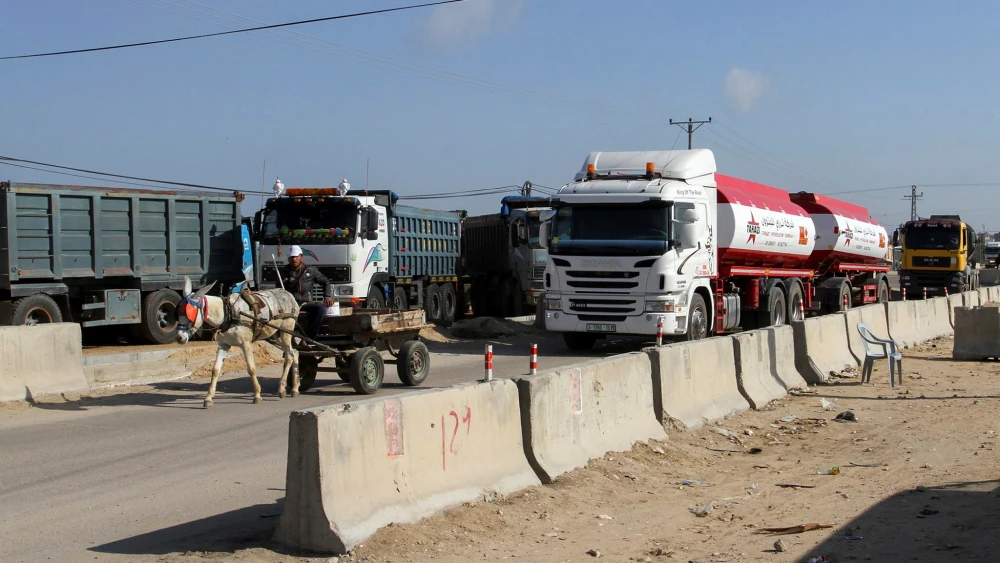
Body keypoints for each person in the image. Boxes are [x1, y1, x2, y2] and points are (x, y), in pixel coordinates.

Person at [280, 245, 333, 338]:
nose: (294, 259)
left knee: (320, 309)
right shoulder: (283, 271)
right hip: (288, 304)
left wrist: (327, 296)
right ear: (288, 259)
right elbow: (278, 289)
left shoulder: (311, 270)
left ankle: (308, 338)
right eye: (291, 257)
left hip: (305, 303)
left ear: (301, 257)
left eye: (296, 257)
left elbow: (325, 282)